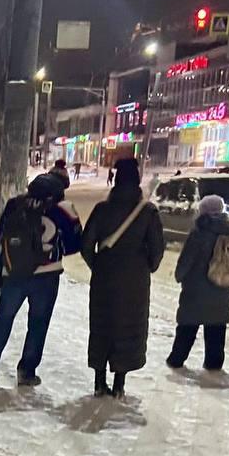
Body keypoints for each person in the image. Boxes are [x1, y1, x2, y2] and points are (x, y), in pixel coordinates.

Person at [0, 173, 81, 386]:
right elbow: (74, 244)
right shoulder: (64, 209)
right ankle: (26, 371)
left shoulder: (15, 205)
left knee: (3, 319)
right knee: (38, 324)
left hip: (14, 274)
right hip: (47, 276)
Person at [80, 157, 165, 400]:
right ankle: (119, 384)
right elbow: (157, 250)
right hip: (134, 283)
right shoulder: (148, 212)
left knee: (101, 326)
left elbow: (87, 245)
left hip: (104, 279)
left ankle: (98, 381)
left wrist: (98, 266)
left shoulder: (102, 210)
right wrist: (144, 267)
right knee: (128, 328)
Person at [167, 195, 229, 371]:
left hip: (196, 289)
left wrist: (179, 275)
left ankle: (177, 359)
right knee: (216, 328)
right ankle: (214, 364)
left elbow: (187, 259)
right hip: (221, 287)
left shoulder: (199, 232)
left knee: (188, 326)